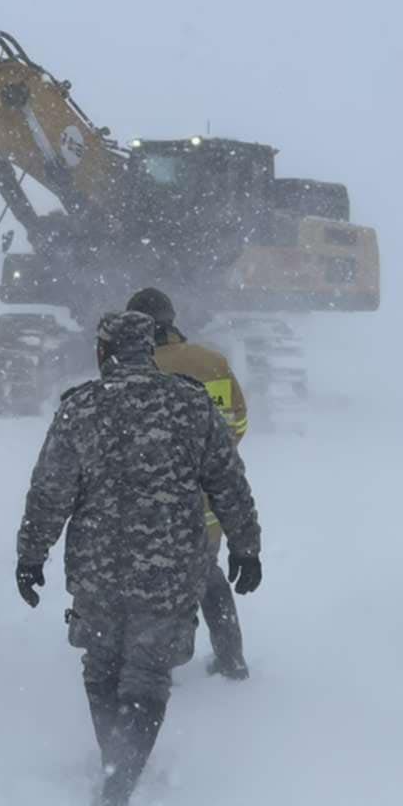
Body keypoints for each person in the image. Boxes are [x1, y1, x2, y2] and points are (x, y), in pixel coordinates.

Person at [16, 309, 262, 806]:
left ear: (103, 351)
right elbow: (228, 482)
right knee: (149, 672)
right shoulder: (190, 404)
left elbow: (50, 491)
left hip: (98, 570)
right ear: (149, 350)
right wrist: (246, 545)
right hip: (169, 568)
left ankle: (116, 766)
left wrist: (31, 554)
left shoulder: (81, 407)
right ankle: (122, 774)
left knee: (101, 667)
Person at [127, 286, 252, 680]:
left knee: (152, 586)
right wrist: (209, 461)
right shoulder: (213, 363)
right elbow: (238, 423)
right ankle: (231, 658)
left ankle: (155, 667)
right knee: (207, 575)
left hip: (151, 506)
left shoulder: (135, 370)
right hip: (209, 503)